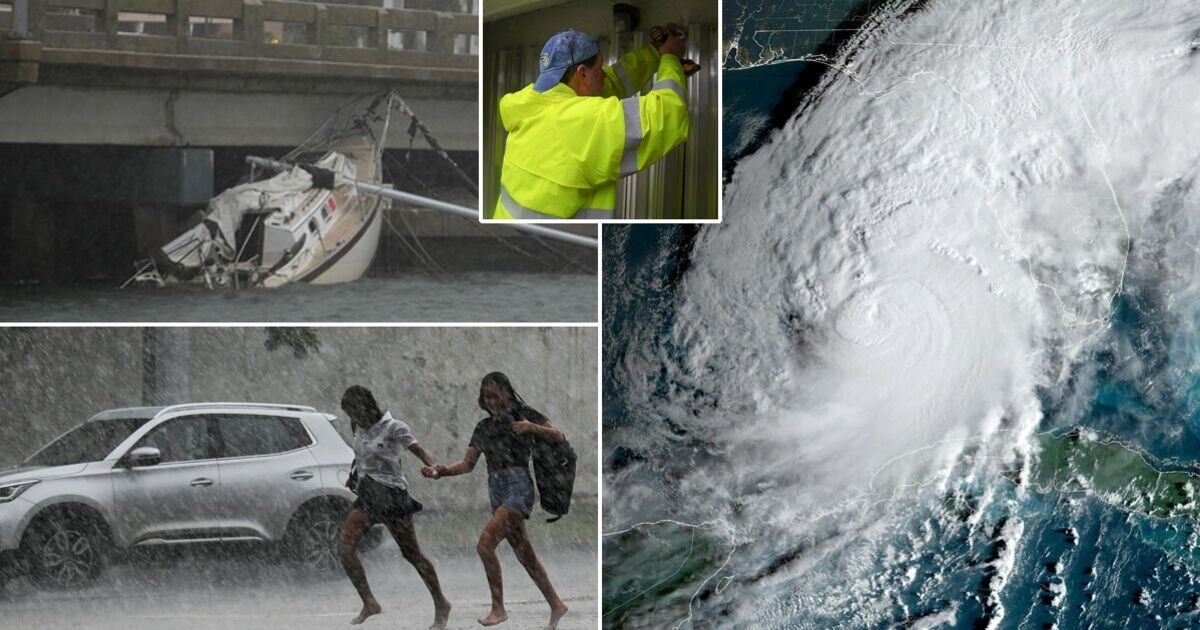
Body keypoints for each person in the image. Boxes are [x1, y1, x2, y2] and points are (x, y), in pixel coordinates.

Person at [492, 25, 690, 220]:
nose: (605, 73)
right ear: (583, 73)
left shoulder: (529, 105)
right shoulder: (581, 122)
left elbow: (609, 83)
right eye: (601, 67)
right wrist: (670, 59)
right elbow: (668, 112)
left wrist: (655, 52)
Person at [423, 372, 569, 628]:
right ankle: (557, 604)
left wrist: (531, 427)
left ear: (506, 392)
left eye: (495, 395)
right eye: (486, 397)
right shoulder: (484, 427)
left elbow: (557, 434)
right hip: (496, 489)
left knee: (485, 544)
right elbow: (468, 464)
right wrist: (440, 471)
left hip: (518, 486)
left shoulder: (523, 413)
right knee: (526, 556)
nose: (491, 401)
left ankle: (498, 608)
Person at [338, 385, 451, 629]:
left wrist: (433, 468)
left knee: (411, 554)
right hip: (368, 495)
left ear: (368, 406)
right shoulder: (357, 426)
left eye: (355, 412)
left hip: (392, 496)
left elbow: (421, 452)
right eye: (350, 414)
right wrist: (354, 476)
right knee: (346, 548)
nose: (354, 419)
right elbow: (359, 456)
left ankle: (441, 603)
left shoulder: (394, 427)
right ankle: (369, 602)